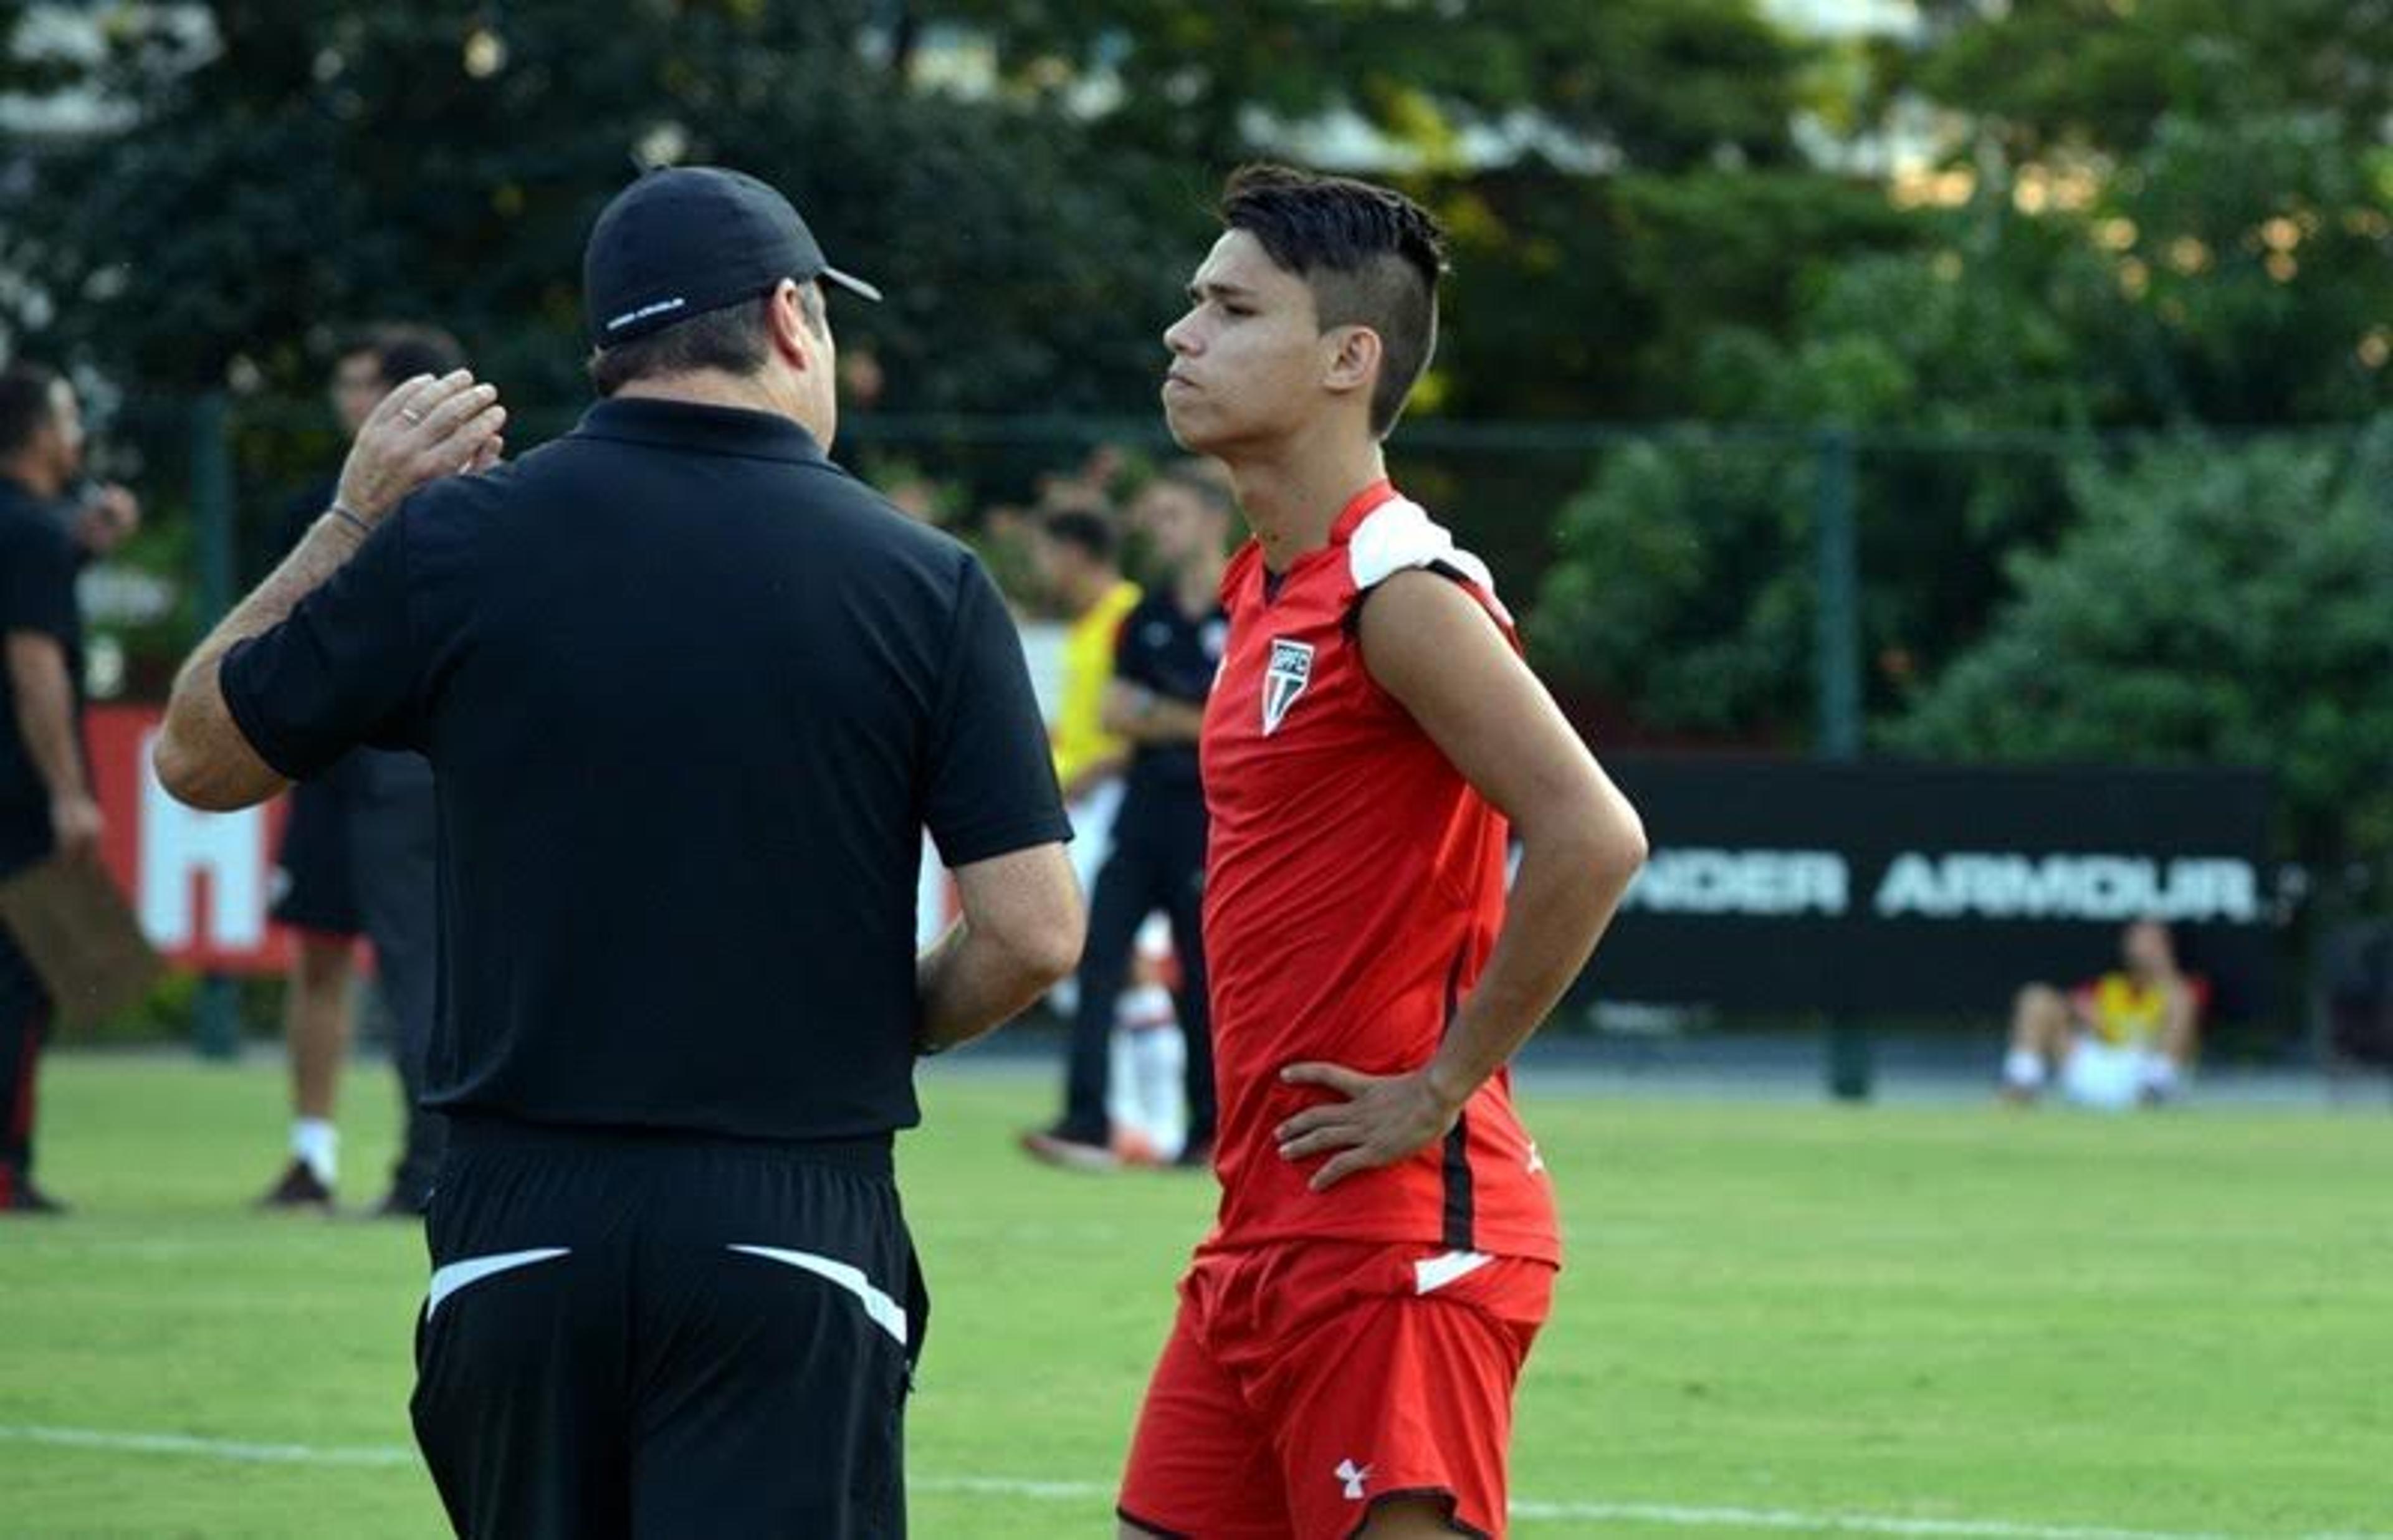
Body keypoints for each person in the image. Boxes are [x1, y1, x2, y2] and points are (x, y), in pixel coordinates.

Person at [154, 164, 1081, 1537]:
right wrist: (874, 1033)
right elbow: (1033, 932)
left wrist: (355, 518)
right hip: (794, 1214)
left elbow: (199, 755)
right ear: (788, 318)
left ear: (611, 350)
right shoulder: (922, 579)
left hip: (518, 1223)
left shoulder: (456, 544)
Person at [1113, 166, 1648, 1540]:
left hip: (1398, 1237)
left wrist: (1444, 1083)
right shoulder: (1265, 586)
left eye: (1231, 309)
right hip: (1263, 1235)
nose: (1184, 335)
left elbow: (1595, 835)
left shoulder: (1396, 590)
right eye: (1192, 304)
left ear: (1350, 359)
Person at [254, 324, 461, 1218]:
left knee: (416, 974)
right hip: (398, 769)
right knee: (388, 963)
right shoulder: (487, 498)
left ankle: (428, 1166)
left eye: (359, 382)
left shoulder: (378, 512)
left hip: (384, 768)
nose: (344, 400)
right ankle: (327, 1155)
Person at [1026, 463, 1230, 1171]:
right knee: (1097, 955)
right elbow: (1118, 712)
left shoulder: (1248, 610)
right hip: (1140, 814)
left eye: (1171, 515)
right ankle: (1088, 1122)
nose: (1157, 530)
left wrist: (1167, 717)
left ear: (1211, 520)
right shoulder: (1146, 617)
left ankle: (1208, 1129)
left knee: (1205, 977)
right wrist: (1190, 717)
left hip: (1205, 818)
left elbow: (1235, 726)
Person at [0, 363, 135, 1216]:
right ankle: (7, 1166)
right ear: (41, 433)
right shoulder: (34, 536)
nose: (77, 432)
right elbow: (34, 661)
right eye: (68, 417)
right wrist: (69, 789)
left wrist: (83, 545)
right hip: (15, 790)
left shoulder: (37, 533)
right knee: (22, 978)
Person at [2000, 918, 2202, 1108]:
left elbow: (2184, 1035)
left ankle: (2154, 1094)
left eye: (2150, 940)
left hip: (2142, 1077)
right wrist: (2089, 1019)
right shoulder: (2109, 985)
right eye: (2136, 939)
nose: (2142, 947)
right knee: (2036, 997)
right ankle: (2021, 1086)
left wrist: (2161, 965)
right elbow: (2074, 1011)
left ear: (2166, 946)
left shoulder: (2181, 990)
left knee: (2180, 1003)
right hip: (2096, 1065)